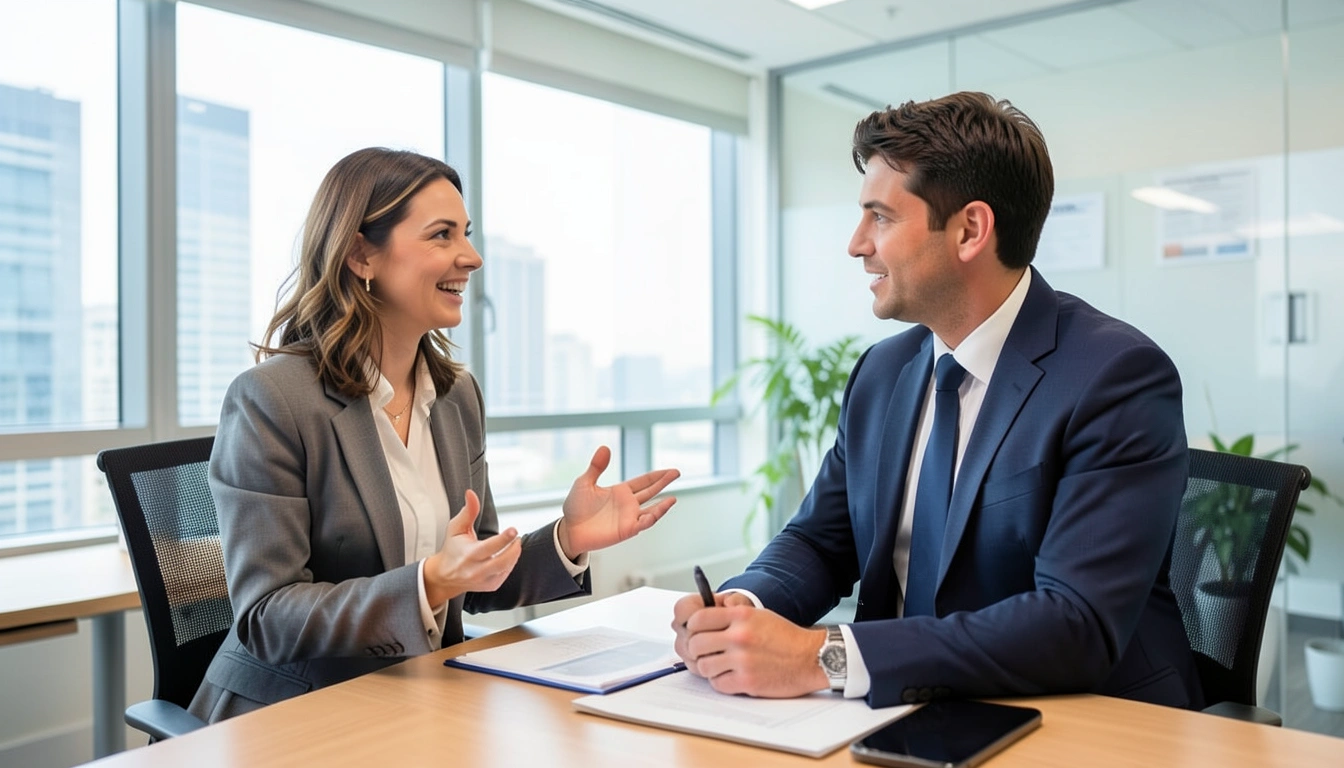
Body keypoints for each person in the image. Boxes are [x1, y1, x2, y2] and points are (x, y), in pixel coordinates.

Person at [672, 92, 1202, 710]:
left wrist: (823, 657)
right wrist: (744, 605)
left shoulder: (1114, 377)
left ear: (970, 230)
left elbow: (1074, 621)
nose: (856, 244)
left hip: (1076, 718)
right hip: (899, 710)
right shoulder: (881, 372)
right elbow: (820, 540)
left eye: (881, 218)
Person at [190, 147, 680, 723]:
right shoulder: (272, 399)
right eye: (442, 235)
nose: (471, 257)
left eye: (466, 234)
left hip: (417, 698)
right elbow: (267, 617)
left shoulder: (455, 396)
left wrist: (567, 540)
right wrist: (427, 582)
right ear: (360, 254)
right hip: (293, 712)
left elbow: (476, 576)